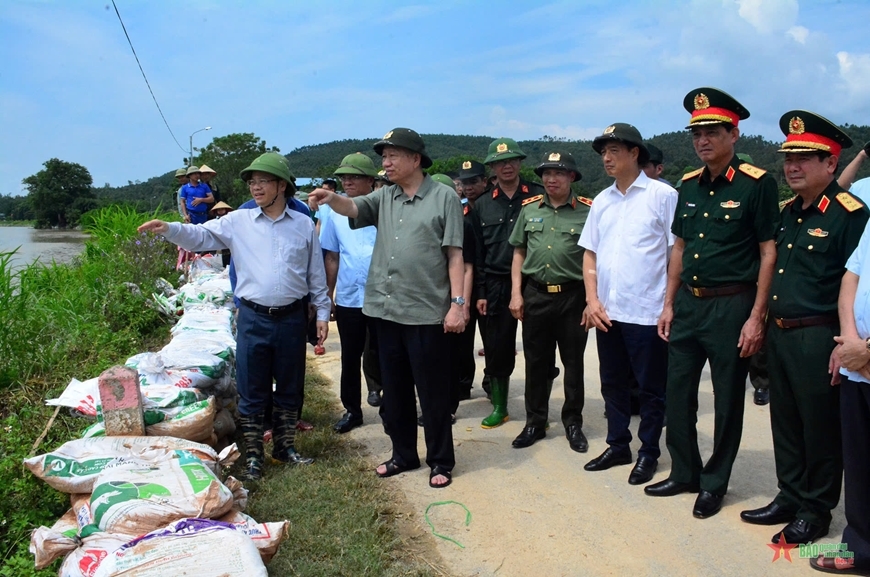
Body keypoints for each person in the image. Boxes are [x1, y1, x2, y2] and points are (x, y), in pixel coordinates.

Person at [138, 151, 330, 480]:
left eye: (262, 182)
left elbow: (315, 274)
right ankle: (254, 455)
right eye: (252, 182)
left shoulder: (302, 225)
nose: (255, 188)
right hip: (254, 317)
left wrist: (322, 312)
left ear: (281, 186)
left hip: (292, 318)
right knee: (252, 386)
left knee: (289, 384)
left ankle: (285, 447)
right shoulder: (237, 221)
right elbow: (200, 237)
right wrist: (169, 229)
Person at [645, 87, 780, 520]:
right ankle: (685, 470)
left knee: (726, 400)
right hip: (689, 305)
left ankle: (715, 482)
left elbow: (767, 252)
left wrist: (757, 316)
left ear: (733, 134)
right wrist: (668, 303)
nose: (702, 141)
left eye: (711, 132)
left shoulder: (757, 184)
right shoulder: (688, 184)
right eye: (696, 134)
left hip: (731, 306)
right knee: (678, 392)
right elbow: (680, 247)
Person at [309, 128, 466, 489]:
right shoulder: (385, 197)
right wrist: (331, 198)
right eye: (384, 157)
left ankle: (440, 460)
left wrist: (458, 305)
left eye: (393, 155)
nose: (386, 162)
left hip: (426, 312)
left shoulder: (443, 198)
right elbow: (352, 207)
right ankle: (403, 454)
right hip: (384, 309)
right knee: (394, 392)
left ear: (415, 159)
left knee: (433, 393)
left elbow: (455, 254)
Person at [739, 112, 868, 546]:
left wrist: (846, 340)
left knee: (820, 428)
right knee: (787, 421)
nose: (791, 167)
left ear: (831, 164)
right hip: (781, 333)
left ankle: (816, 510)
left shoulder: (851, 214)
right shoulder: (789, 212)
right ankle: (789, 495)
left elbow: (857, 280)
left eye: (804, 159)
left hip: (819, 335)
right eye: (787, 159)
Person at [580, 124, 676, 484]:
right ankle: (617, 444)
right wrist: (592, 301)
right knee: (613, 383)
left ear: (635, 153)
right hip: (608, 312)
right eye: (603, 152)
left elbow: (673, 255)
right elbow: (590, 254)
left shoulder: (661, 196)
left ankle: (648, 451)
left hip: (647, 312)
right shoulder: (601, 201)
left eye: (614, 151)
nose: (606, 158)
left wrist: (668, 304)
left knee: (651, 389)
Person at [508, 151, 591, 452]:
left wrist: (592, 301)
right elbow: (518, 252)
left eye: (559, 173)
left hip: (573, 296)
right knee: (536, 363)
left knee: (573, 363)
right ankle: (535, 421)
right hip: (536, 295)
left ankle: (573, 422)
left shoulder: (587, 211)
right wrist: (516, 293)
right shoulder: (529, 210)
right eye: (546, 173)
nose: (551, 179)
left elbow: (595, 260)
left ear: (572, 177)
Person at [470, 138, 545, 429]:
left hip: (534, 281)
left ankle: (537, 410)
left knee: (538, 347)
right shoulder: (483, 205)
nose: (507, 166)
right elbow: (477, 253)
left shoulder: (538, 196)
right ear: (492, 168)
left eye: (512, 160)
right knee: (498, 346)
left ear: (520, 163)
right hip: (496, 284)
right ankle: (500, 406)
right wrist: (480, 291)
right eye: (501, 162)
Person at [818, 220, 870, 574]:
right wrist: (851, 342)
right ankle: (860, 548)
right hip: (859, 365)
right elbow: (851, 278)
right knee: (860, 462)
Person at [321, 153, 383, 433]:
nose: (347, 181)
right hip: (348, 297)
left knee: (387, 353)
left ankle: (392, 405)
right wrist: (328, 295)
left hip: (382, 295)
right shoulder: (332, 213)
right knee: (350, 356)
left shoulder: (385, 208)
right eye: (344, 177)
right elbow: (332, 256)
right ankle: (352, 410)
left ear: (370, 180)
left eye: (354, 176)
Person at [209, 201, 234, 267]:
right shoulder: (215, 221)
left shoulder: (230, 219)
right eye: (219, 210)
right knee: (224, 265)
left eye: (222, 209)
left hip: (231, 246)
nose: (220, 211)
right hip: (221, 248)